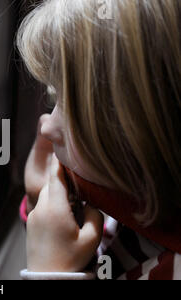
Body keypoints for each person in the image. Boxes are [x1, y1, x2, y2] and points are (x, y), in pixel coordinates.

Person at [17, 0, 181, 280]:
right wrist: (39, 202)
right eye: (55, 97)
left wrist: (51, 271)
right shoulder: (127, 203)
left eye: (75, 106)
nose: (47, 126)